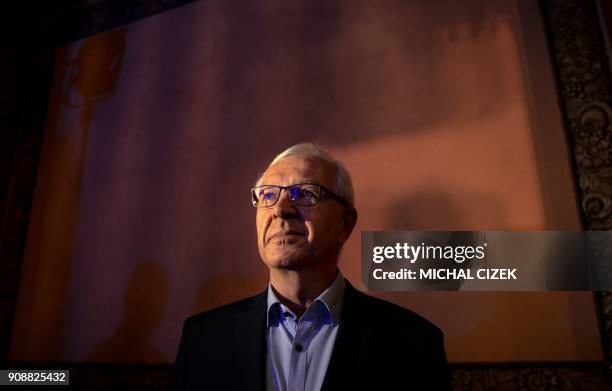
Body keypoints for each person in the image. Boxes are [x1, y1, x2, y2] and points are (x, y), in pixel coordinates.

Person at [171, 143, 451, 390]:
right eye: (267, 195)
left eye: (304, 194)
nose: (281, 209)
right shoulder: (203, 340)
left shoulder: (414, 343)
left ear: (345, 224)